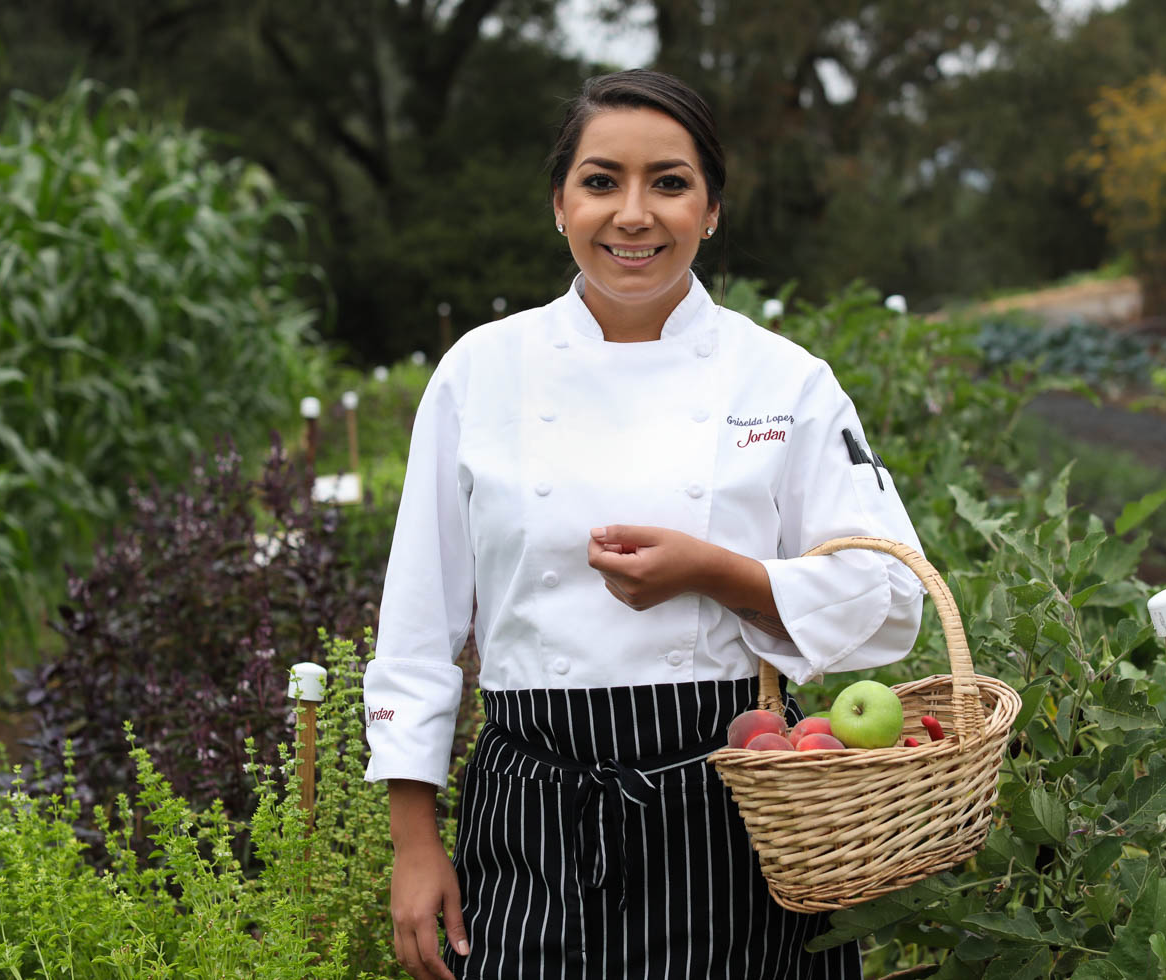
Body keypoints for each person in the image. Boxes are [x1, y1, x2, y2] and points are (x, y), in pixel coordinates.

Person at [366, 68, 926, 980]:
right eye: (600, 181)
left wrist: (717, 571)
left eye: (668, 183)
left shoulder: (782, 381)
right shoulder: (482, 373)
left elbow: (894, 592)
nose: (634, 214)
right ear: (559, 204)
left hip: (731, 803)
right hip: (532, 807)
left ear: (711, 211)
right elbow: (421, 623)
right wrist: (414, 838)